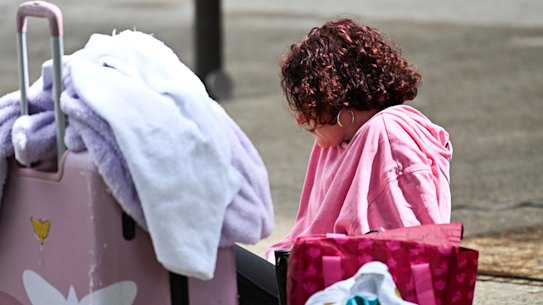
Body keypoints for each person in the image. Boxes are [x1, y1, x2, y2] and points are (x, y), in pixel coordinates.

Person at [265, 18, 453, 261]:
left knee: (222, 259)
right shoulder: (335, 141)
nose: (300, 118)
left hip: (355, 287)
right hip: (319, 276)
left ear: (337, 98)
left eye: (306, 104)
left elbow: (411, 252)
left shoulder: (389, 136)